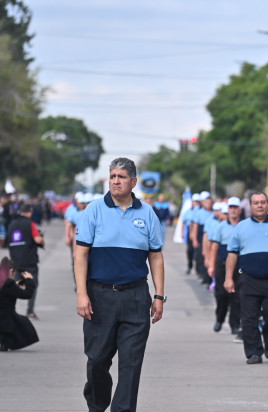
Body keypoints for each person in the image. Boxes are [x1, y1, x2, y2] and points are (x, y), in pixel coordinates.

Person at [74, 157, 165, 412]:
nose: (116, 181)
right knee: (97, 361)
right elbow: (80, 255)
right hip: (99, 297)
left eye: (121, 177)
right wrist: (82, 294)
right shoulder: (93, 210)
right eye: (113, 176)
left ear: (133, 182)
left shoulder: (147, 213)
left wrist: (159, 296)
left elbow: (156, 256)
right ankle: (97, 404)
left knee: (131, 364)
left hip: (136, 297)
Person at [223, 191, 268, 365]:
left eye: (263, 202)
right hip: (248, 279)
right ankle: (254, 353)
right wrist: (228, 278)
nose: (260, 205)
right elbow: (232, 254)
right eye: (256, 203)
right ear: (250, 206)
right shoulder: (241, 226)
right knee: (249, 319)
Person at [208, 198, 241, 334]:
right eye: (231, 207)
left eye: (235, 207)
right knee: (221, 295)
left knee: (237, 296)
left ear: (239, 209)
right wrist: (211, 265)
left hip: (239, 266)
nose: (233, 210)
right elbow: (214, 246)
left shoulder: (244, 225)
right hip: (222, 265)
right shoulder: (221, 226)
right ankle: (219, 319)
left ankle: (234, 324)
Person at [7, 203, 44, 319]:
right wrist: (42, 240)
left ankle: (9, 310)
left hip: (15, 261)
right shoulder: (30, 224)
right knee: (32, 283)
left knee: (13, 284)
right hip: (29, 261)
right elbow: (37, 239)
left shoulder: (11, 224)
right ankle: (30, 311)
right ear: (30, 212)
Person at [0, 257, 39, 351]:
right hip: (6, 318)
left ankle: (4, 342)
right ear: (11, 271)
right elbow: (27, 294)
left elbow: (6, 292)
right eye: (13, 274)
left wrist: (16, 286)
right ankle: (5, 343)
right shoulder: (8, 283)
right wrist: (29, 280)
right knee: (23, 323)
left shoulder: (4, 283)